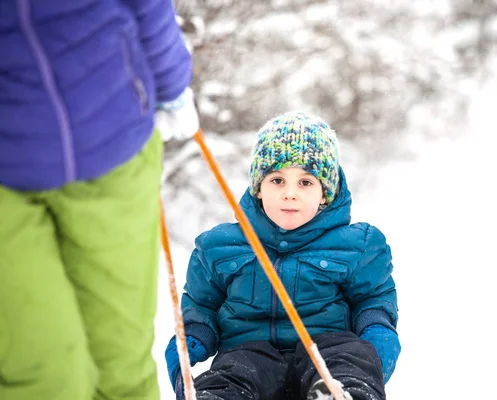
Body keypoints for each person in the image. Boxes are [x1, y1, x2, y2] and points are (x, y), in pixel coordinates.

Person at [0, 1, 198, 399]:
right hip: (7, 184)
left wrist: (172, 81)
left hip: (112, 143)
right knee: (39, 373)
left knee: (120, 361)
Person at [165, 111, 401, 400]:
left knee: (347, 356)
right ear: (259, 188)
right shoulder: (219, 247)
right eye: (277, 180)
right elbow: (202, 307)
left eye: (306, 182)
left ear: (325, 193)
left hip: (327, 351)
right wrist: (190, 341)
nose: (290, 193)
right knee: (233, 372)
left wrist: (377, 334)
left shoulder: (358, 245)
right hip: (249, 354)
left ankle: (342, 395)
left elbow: (373, 300)